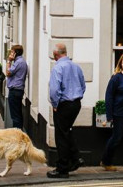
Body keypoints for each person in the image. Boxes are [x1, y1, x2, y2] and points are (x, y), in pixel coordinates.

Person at [47, 42, 86, 179]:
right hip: (76, 104)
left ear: (55, 55)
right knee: (67, 131)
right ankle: (76, 158)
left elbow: (54, 90)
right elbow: (83, 85)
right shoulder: (76, 66)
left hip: (63, 105)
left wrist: (55, 104)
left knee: (61, 136)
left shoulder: (58, 68)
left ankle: (62, 169)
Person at [4, 44, 28, 133]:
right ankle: (18, 133)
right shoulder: (20, 61)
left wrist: (8, 61)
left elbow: (8, 73)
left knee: (15, 115)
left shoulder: (19, 62)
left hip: (15, 90)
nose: (10, 53)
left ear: (16, 53)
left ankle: (16, 134)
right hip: (18, 90)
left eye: (12, 52)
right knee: (17, 113)